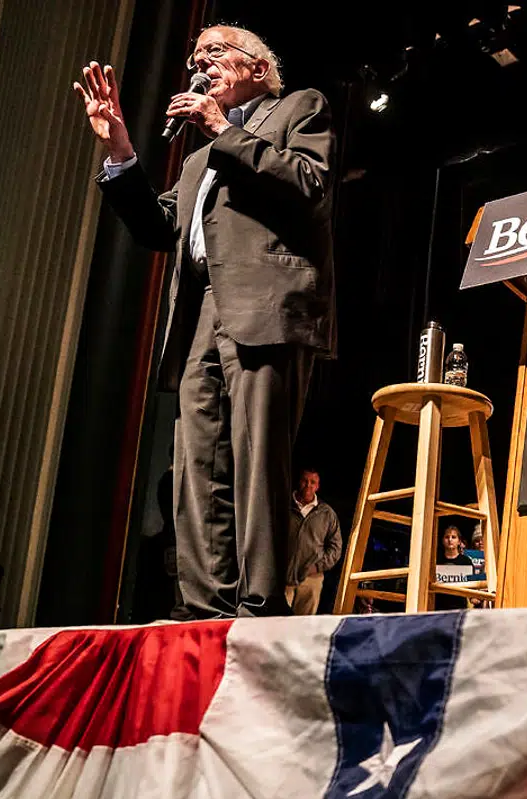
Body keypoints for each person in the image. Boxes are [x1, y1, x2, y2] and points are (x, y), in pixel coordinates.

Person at [79, 29, 334, 619]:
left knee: (257, 453)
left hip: (268, 305)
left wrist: (224, 129)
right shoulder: (197, 159)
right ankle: (203, 608)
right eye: (194, 59)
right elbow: (154, 226)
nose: (199, 65)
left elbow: (310, 186)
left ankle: (259, 606)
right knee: (197, 460)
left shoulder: (298, 108)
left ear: (258, 65)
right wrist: (119, 149)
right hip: (201, 311)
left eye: (213, 54)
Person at [285, 468, 342, 615]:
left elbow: (336, 548)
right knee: (276, 622)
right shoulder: (283, 506)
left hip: (311, 580)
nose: (308, 485)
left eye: (313, 482)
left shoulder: (327, 514)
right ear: (299, 482)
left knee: (303, 626)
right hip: (282, 578)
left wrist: (317, 567)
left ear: (317, 486)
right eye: (305, 481)